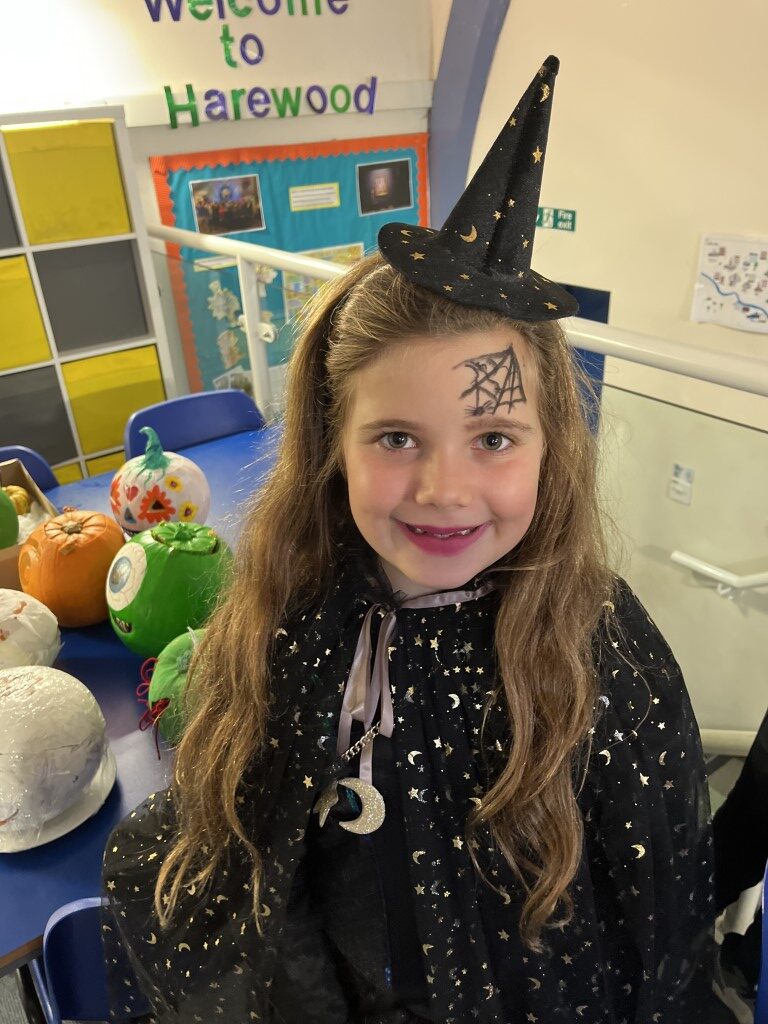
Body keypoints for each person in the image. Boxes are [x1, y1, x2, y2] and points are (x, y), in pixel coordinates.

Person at [102, 56, 724, 1023]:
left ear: (551, 448)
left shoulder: (601, 644)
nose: (444, 490)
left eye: (494, 438)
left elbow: (657, 915)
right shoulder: (287, 623)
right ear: (333, 444)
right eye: (396, 438)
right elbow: (247, 880)